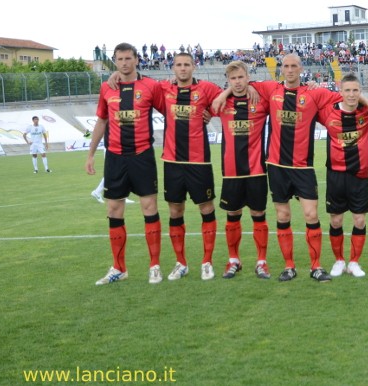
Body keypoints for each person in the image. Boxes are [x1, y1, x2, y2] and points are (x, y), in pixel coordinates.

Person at [215, 53, 368, 283]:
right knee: (283, 216)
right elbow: (241, 82)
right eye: (286, 66)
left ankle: (316, 266)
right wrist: (225, 91)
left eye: (294, 66)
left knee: (311, 215)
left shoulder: (314, 93)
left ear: (301, 68)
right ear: (281, 69)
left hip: (303, 166)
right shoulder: (270, 89)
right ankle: (289, 266)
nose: (290, 70)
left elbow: (347, 96)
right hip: (276, 165)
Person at [85, 43, 164, 285]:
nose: (124, 63)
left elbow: (169, 110)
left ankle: (154, 266)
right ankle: (119, 268)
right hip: (115, 157)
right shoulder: (107, 88)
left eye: (128, 58)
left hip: (142, 156)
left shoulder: (151, 86)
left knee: (149, 208)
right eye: (119, 59)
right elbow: (101, 121)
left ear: (137, 59)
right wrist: (90, 154)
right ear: (115, 61)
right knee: (113, 211)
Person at [156, 52, 224, 281]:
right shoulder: (164, 89)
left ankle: (207, 261)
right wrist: (116, 74)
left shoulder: (206, 89)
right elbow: (139, 86)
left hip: (199, 161)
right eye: (179, 65)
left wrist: (211, 112)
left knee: (206, 208)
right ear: (172, 67)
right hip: (173, 162)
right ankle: (181, 262)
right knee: (175, 211)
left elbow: (229, 94)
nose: (183, 68)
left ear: (194, 67)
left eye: (187, 64)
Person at [216, 61, 272, 281]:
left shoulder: (261, 99)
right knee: (233, 215)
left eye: (241, 77)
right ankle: (233, 260)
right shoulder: (221, 102)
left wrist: (252, 86)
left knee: (258, 215)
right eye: (233, 79)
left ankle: (261, 262)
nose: (238, 82)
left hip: (257, 170)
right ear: (228, 81)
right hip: (231, 172)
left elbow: (277, 87)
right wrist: (226, 92)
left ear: (247, 76)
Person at [319, 74, 368, 278]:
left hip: (359, 175)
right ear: (340, 92)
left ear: (360, 92)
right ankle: (339, 261)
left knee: (359, 220)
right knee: (336, 221)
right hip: (335, 175)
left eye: (355, 90)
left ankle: (354, 262)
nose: (351, 94)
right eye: (348, 90)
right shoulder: (327, 113)